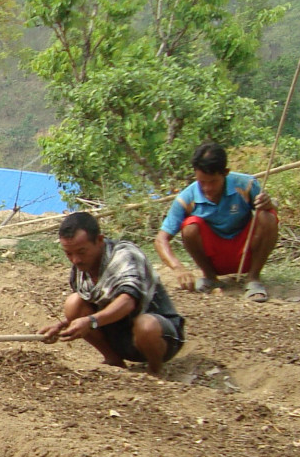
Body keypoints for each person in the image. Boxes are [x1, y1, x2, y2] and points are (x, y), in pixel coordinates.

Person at [39, 212, 186, 376]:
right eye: (69, 254)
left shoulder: (125, 255)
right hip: (118, 336)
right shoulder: (80, 270)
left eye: (81, 252)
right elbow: (91, 309)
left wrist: (91, 321)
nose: (75, 260)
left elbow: (128, 301)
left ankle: (155, 371)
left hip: (159, 336)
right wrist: (61, 327)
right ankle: (114, 360)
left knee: (146, 324)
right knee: (73, 303)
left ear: (99, 240)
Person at [155, 142, 278, 302]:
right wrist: (178, 268)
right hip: (214, 256)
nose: (207, 188)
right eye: (201, 182)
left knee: (268, 216)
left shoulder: (246, 185)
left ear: (225, 173)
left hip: (246, 252)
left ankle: (253, 279)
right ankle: (210, 278)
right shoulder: (186, 198)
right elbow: (161, 239)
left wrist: (270, 203)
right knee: (190, 226)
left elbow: (271, 208)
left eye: (212, 182)